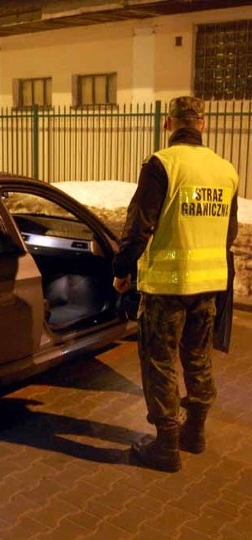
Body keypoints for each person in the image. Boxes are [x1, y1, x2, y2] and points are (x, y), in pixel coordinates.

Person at [112, 96, 239, 472]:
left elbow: (139, 226)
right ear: (203, 125)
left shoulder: (162, 164)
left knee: (160, 362)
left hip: (167, 288)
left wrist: (123, 270)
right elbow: (228, 233)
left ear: (169, 124)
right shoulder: (225, 170)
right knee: (198, 358)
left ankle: (166, 446)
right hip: (210, 285)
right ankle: (195, 433)